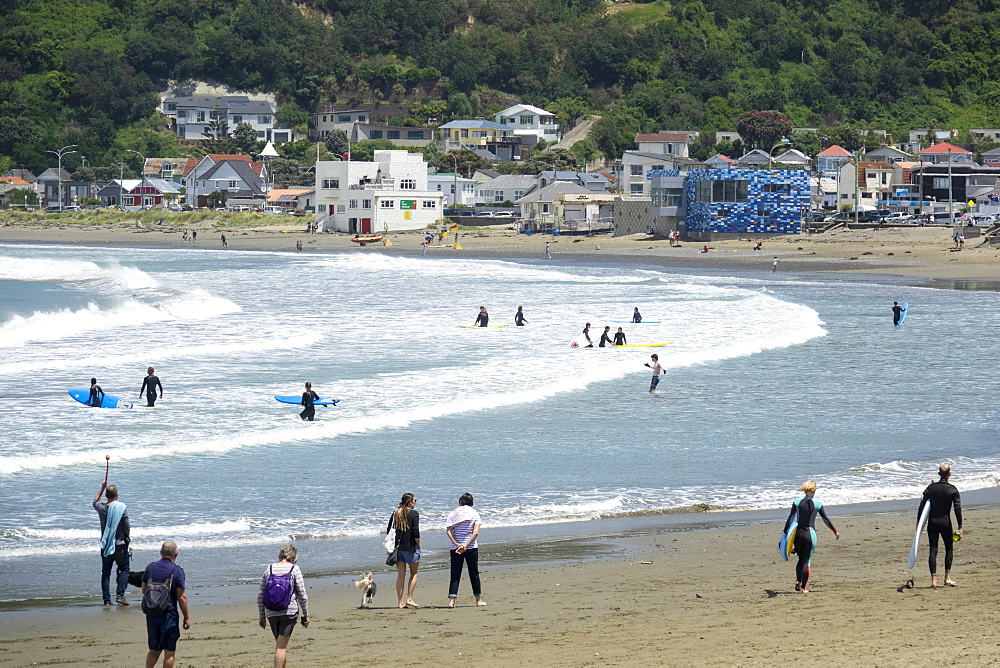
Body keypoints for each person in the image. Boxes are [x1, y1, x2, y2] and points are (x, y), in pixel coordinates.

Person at [782, 480, 839, 594]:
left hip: (798, 534)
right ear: (814, 490)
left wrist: (785, 532)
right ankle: (803, 588)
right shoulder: (818, 503)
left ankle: (798, 581)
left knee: (800, 559)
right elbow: (825, 519)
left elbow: (790, 517)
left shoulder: (797, 502)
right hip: (810, 534)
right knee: (807, 561)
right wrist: (835, 531)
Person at [258, 544, 309, 668]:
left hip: (271, 611)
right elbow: (302, 594)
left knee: (280, 645)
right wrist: (306, 614)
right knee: (281, 647)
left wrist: (262, 616)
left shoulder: (269, 569)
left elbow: (261, 595)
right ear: (293, 557)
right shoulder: (294, 569)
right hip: (289, 612)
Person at [141, 541, 190, 668]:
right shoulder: (177, 571)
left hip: (152, 614)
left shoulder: (150, 567)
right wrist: (186, 617)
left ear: (160, 552)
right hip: (169, 615)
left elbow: (143, 590)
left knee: (154, 650)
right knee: (169, 652)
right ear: (176, 554)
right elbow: (182, 598)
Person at [918, 464, 963, 588]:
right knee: (949, 548)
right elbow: (957, 508)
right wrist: (960, 526)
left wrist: (919, 524)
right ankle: (947, 578)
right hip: (945, 523)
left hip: (932, 523)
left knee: (933, 549)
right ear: (949, 474)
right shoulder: (952, 490)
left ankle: (933, 581)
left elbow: (922, 507)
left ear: (938, 474)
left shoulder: (930, 488)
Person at [446, 493, 486, 608]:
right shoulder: (474, 514)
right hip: (471, 547)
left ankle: (452, 601)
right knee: (474, 573)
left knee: (455, 574)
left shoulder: (454, 513)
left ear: (460, 502)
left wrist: (458, 544)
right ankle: (478, 600)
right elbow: (476, 532)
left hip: (455, 548)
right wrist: (466, 545)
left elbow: (448, 531)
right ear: (471, 502)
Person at [94, 480, 130, 605]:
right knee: (125, 569)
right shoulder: (121, 507)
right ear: (117, 495)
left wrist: (102, 487)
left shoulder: (101, 508)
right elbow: (126, 526)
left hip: (106, 545)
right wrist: (127, 536)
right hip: (120, 545)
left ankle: (107, 601)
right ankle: (120, 595)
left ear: (106, 495)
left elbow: (95, 502)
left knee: (106, 573)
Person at [391, 493, 421, 608]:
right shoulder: (414, 514)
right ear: (409, 502)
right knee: (414, 573)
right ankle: (409, 598)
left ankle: (400, 602)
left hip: (398, 548)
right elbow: (415, 532)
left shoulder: (396, 512)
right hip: (411, 548)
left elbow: (391, 530)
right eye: (414, 500)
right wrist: (418, 545)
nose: (415, 502)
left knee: (400, 576)